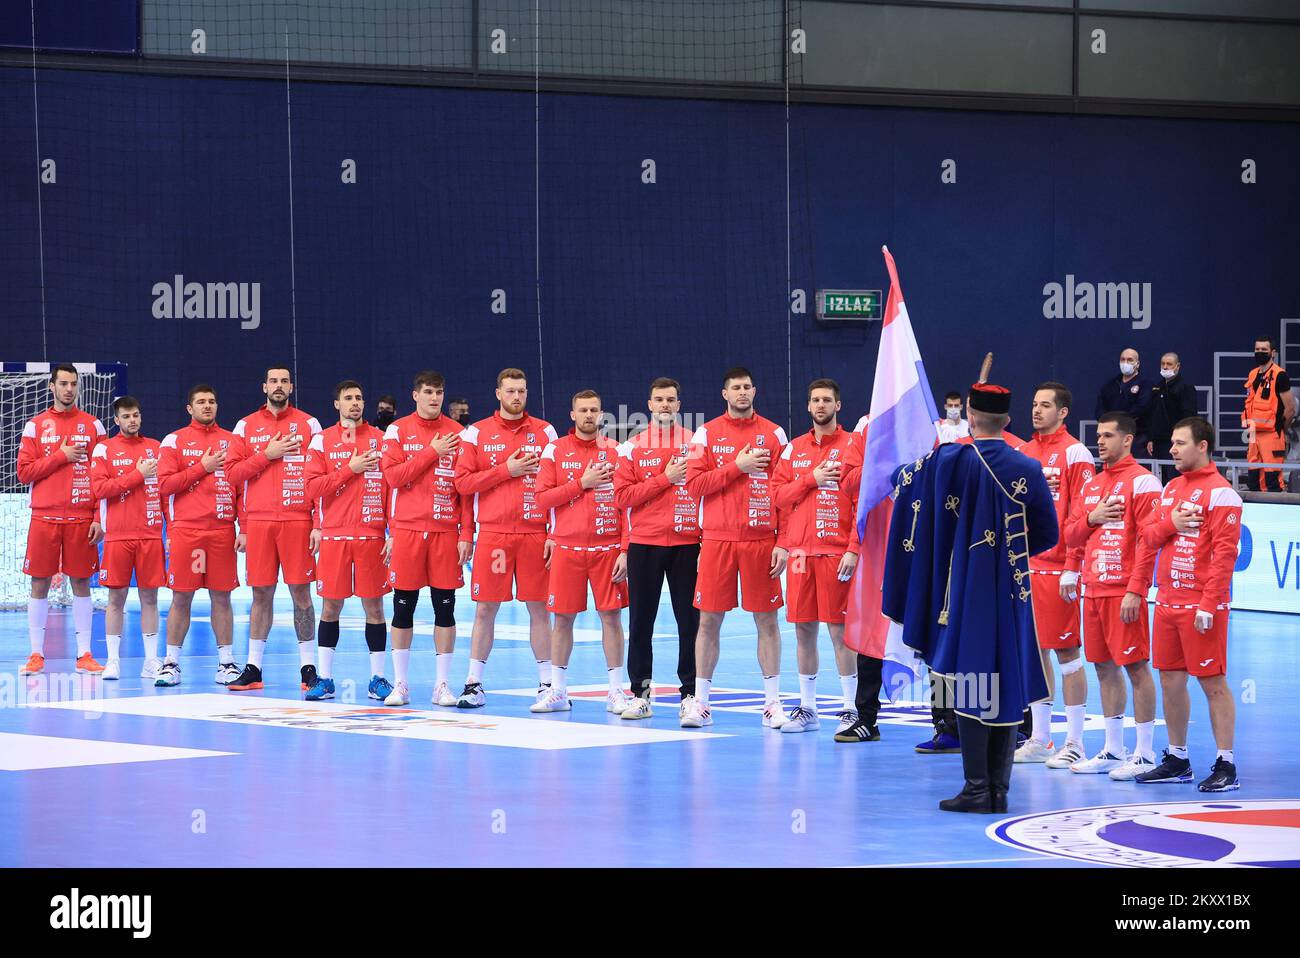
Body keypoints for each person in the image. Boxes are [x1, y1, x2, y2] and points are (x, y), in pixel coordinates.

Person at [883, 381, 1058, 813]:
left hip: (964, 587)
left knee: (971, 680)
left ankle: (977, 789)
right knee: (1006, 677)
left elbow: (902, 480)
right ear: (1009, 421)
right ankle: (998, 791)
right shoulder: (1028, 467)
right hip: (1014, 592)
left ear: (972, 418)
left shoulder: (951, 458)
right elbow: (1048, 533)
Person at [1136, 418, 1243, 792]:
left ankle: (1226, 764)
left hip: (1201, 605)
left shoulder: (1222, 494)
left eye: (1180, 443)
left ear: (1203, 446)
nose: (1173, 449)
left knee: (1212, 681)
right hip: (1167, 601)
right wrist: (1172, 524)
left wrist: (1209, 604)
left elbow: (1225, 556)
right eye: (1173, 443)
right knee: (1170, 679)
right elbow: (1148, 536)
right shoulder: (1170, 489)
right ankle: (1178, 758)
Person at [682, 366, 789, 729]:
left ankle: (772, 703)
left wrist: (784, 543)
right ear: (724, 394)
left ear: (754, 391)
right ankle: (701, 703)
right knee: (709, 620)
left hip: (761, 540)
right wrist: (736, 466)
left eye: (747, 387)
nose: (742, 393)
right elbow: (694, 486)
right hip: (717, 540)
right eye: (735, 388)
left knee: (767, 620)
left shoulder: (774, 433)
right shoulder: (706, 433)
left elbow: (785, 494)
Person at [1063, 412, 1161, 779]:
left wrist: (1137, 590)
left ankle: (1146, 752)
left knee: (1136, 667)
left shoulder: (1144, 484)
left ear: (1128, 439)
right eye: (1098, 435)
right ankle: (1113, 749)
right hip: (1093, 589)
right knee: (1103, 667)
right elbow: (1071, 535)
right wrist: (1093, 518)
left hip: (1124, 591)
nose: (1100, 441)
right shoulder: (1091, 485)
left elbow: (1149, 544)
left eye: (1108, 436)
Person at [453, 368, 558, 708]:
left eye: (522, 391)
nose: (517, 396)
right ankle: (473, 684)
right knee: (485, 610)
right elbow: (463, 485)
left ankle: (547, 684)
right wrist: (505, 472)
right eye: (510, 390)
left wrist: (553, 534)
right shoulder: (476, 434)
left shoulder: (545, 432)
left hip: (534, 533)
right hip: (494, 534)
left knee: (540, 609)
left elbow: (557, 489)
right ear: (498, 393)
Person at [771, 378, 867, 737]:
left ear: (838, 406)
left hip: (836, 552)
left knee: (839, 631)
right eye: (816, 400)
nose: (821, 405)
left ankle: (849, 708)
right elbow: (778, 497)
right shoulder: (794, 450)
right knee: (803, 630)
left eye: (827, 400)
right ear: (808, 407)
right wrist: (810, 479)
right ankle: (808, 707)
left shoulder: (853, 446)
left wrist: (854, 549)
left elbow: (863, 503)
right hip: (800, 555)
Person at [224, 366, 323, 692]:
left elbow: (319, 479)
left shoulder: (309, 424)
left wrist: (317, 524)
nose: (278, 386)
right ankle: (254, 668)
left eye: (284, 381)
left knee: (301, 593)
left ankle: (308, 668)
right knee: (260, 594)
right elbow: (233, 475)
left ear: (291, 386)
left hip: (298, 521)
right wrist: (267, 455)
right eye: (273, 381)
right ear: (264, 386)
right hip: (261, 522)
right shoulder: (245, 426)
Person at [531, 390, 630, 714]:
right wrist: (582, 483)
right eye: (583, 410)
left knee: (611, 618)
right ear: (572, 414)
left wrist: (625, 550)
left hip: (607, 549)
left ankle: (616, 690)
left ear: (602, 414)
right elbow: (542, 500)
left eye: (594, 410)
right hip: (567, 549)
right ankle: (558, 691)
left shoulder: (617, 452)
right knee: (562, 620)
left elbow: (628, 505)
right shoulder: (554, 450)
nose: (589, 415)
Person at [1013, 382, 1095, 769]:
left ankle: (1075, 741)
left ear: (1063, 412)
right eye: (1033, 404)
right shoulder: (1024, 454)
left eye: (1045, 405)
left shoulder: (1075, 453)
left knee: (1067, 653)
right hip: (1025, 567)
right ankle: (1041, 738)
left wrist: (1072, 566)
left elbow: (1082, 514)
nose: (1037, 410)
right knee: (1035, 651)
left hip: (1058, 568)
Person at [379, 371, 472, 706]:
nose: (435, 398)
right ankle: (400, 684)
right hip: (407, 531)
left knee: (445, 610)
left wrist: (465, 533)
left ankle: (442, 685)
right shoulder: (398, 430)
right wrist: (431, 452)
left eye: (440, 393)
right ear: (415, 395)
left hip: (446, 533)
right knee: (403, 608)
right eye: (429, 392)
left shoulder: (460, 433)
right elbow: (392, 477)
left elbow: (465, 492)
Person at [613, 377, 700, 721]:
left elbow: (707, 492)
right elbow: (622, 498)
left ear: (679, 405)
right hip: (644, 545)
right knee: (641, 622)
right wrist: (665, 478)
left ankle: (690, 695)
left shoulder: (696, 444)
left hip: (687, 543)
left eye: (671, 400)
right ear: (649, 404)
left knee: (689, 623)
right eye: (659, 399)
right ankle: (640, 694)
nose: (665, 405)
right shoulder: (630, 447)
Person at [303, 380, 394, 703]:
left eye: (359, 397)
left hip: (371, 536)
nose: (355, 403)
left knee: (375, 607)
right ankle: (325, 679)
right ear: (336, 404)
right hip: (335, 536)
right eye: (348, 398)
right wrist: (350, 469)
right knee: (331, 606)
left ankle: (378, 678)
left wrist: (392, 532)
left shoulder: (382, 441)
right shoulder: (321, 441)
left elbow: (393, 490)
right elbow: (312, 489)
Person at [16, 364, 106, 676]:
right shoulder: (35, 426)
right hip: (44, 517)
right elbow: (24, 472)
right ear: (52, 386)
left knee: (81, 582)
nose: (69, 389)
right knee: (38, 582)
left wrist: (98, 516)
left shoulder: (94, 426)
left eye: (73, 384)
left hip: (82, 518)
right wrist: (60, 456)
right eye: (63, 384)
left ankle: (84, 653)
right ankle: (36, 654)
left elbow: (102, 475)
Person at [154, 384, 245, 686]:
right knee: (181, 597)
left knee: (223, 597)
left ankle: (227, 663)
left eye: (212, 401)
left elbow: (243, 489)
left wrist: (243, 527)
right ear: (189, 409)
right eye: (201, 402)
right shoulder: (174, 441)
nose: (208, 406)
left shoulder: (233, 441)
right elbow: (164, 485)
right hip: (187, 531)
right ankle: (170, 663)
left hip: (221, 531)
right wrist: (202, 467)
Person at [89, 396, 165, 680]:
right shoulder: (103, 449)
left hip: (150, 534)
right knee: (115, 598)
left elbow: (166, 490)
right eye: (126, 416)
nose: (132, 420)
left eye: (136, 415)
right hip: (118, 536)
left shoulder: (156, 448)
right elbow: (100, 489)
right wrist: (137, 475)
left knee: (150, 598)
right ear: (116, 420)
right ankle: (112, 661)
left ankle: (150, 661)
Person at [1242, 337, 1295, 492]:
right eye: (1257, 349)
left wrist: (1281, 429)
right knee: (1253, 476)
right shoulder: (1252, 374)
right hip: (1252, 432)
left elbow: (1290, 409)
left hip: (1272, 433)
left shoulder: (1280, 375)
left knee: (1272, 479)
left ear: (1272, 353)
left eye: (1263, 350)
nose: (1259, 353)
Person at [1146, 352, 1198, 484]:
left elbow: (1189, 416)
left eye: (1169, 364)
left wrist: (1182, 439)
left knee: (1175, 477)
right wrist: (1151, 438)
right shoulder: (1157, 387)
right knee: (1159, 478)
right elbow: (1152, 415)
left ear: (1178, 366)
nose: (1165, 367)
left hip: (1176, 442)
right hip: (1158, 442)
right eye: (1163, 364)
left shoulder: (1185, 387)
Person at [1095, 347, 1153, 448]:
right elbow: (1100, 409)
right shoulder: (1110, 385)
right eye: (1123, 359)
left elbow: (1141, 408)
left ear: (1137, 364)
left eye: (1130, 360)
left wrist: (1118, 422)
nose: (1125, 363)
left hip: (1136, 437)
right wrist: (1109, 424)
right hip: (1111, 436)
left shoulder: (1145, 385)